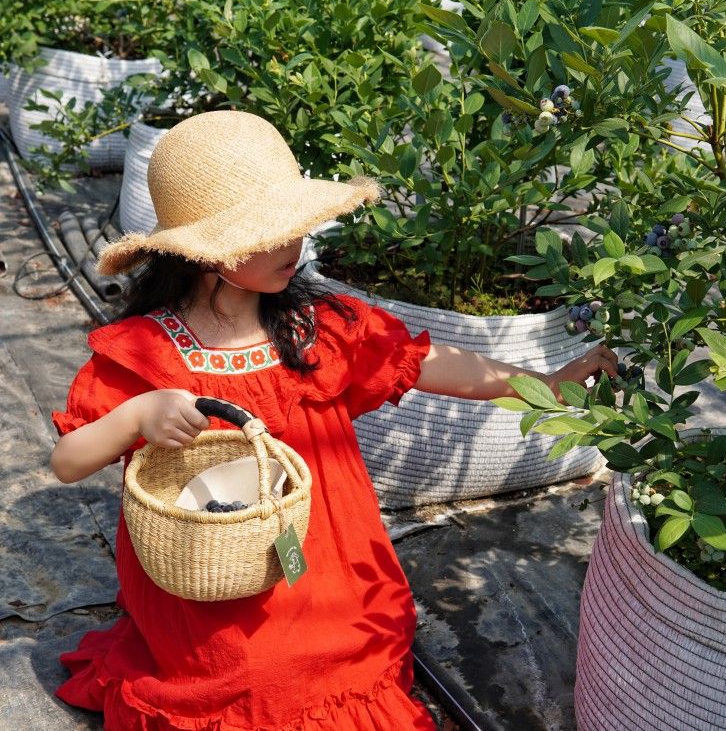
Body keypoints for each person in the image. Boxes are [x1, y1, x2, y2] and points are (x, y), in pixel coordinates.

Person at [50, 110, 618, 730]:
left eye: (296, 227)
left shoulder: (313, 326)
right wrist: (137, 414)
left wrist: (546, 386)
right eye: (269, 233)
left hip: (323, 546)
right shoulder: (147, 351)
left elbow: (430, 362)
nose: (293, 245)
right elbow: (69, 462)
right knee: (247, 673)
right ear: (206, 253)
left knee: (348, 646)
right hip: (211, 568)